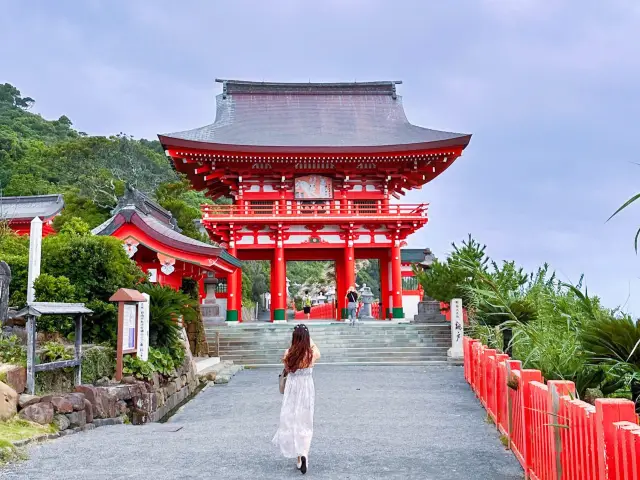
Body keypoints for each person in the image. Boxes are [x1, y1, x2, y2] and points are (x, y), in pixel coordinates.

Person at [273, 324, 321, 475]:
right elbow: (315, 349)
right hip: (307, 388)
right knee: (305, 420)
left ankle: (298, 457)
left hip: (293, 388)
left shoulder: (289, 353)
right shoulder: (312, 354)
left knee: (291, 419)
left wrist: (297, 340)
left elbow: (287, 369)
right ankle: (304, 453)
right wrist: (306, 337)